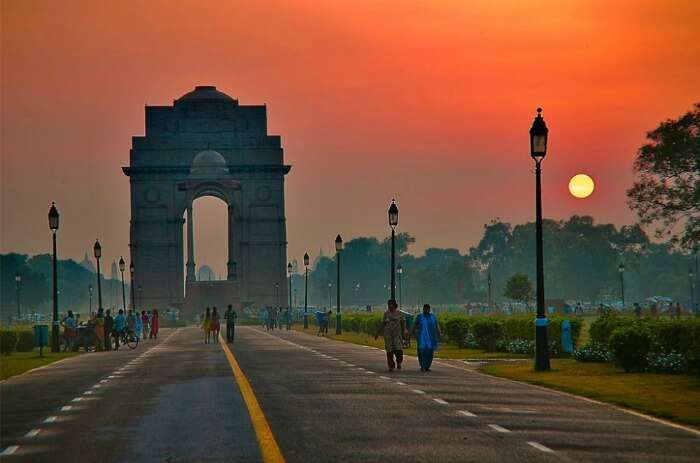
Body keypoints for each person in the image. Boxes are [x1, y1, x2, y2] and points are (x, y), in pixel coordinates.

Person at [374, 299, 408, 372]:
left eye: (391, 305)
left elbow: (403, 322)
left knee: (398, 349)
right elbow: (382, 323)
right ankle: (391, 366)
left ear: (394, 305)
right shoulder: (386, 314)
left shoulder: (400, 313)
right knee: (389, 350)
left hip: (397, 334)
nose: (390, 306)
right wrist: (377, 332)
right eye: (388, 305)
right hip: (388, 334)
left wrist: (405, 330)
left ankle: (399, 362)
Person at [411, 304, 440, 372]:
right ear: (423, 309)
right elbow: (414, 325)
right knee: (422, 352)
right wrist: (411, 333)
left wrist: (439, 333)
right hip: (422, 338)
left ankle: (427, 366)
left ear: (429, 309)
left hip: (431, 338)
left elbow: (437, 325)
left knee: (430, 352)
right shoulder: (419, 316)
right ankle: (423, 366)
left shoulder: (433, 317)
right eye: (425, 308)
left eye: (428, 309)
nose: (427, 310)